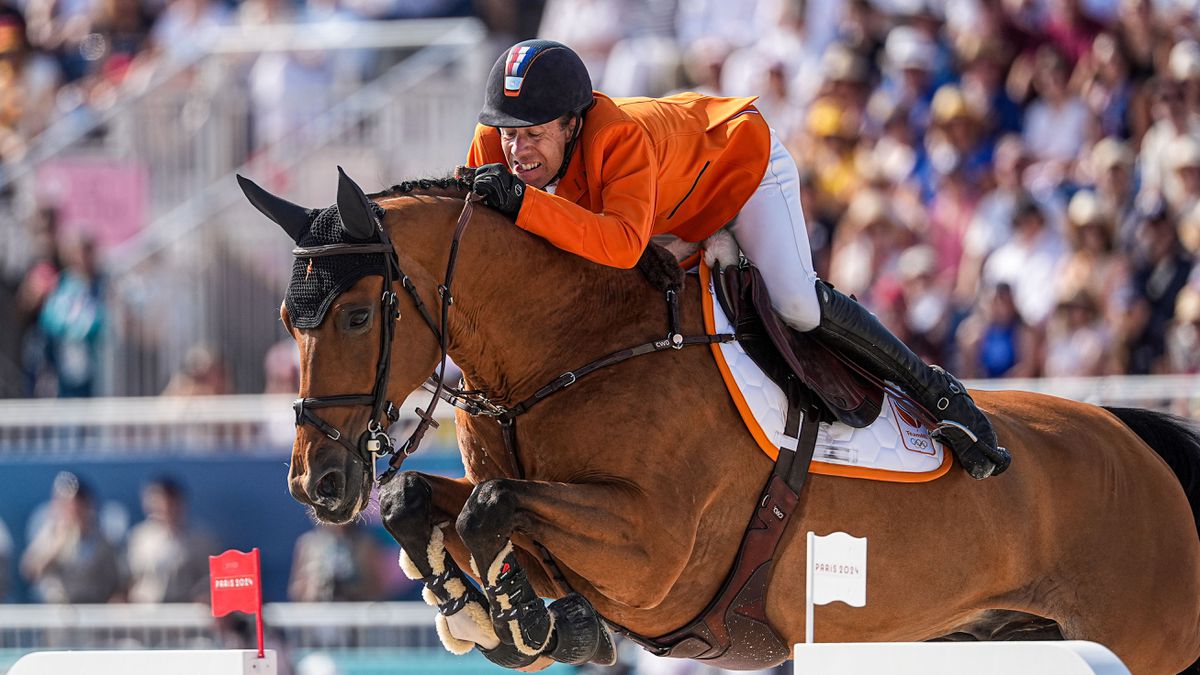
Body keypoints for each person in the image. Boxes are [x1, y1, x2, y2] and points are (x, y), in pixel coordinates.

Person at [464, 39, 1009, 479]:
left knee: (796, 303)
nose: (517, 151)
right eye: (510, 135)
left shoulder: (618, 137)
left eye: (533, 134)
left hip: (741, 166)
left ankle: (937, 394)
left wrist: (526, 205)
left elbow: (622, 243)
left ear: (573, 123)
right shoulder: (499, 135)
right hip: (669, 208)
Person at [20, 472, 123, 603]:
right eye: (62, 502)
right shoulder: (50, 533)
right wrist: (58, 545)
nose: (69, 508)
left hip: (94, 608)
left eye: (74, 503)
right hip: (58, 608)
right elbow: (31, 571)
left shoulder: (101, 539)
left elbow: (114, 580)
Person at [125, 476, 219, 603]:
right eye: (155, 502)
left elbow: (211, 579)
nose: (162, 507)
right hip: (145, 611)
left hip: (186, 611)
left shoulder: (200, 539)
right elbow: (129, 578)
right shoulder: (139, 537)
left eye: (168, 502)